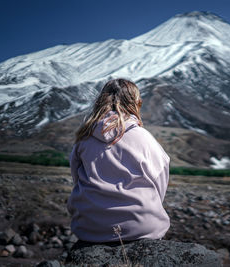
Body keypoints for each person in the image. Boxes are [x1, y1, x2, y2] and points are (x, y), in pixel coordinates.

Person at [67, 78, 170, 243]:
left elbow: (76, 178)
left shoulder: (84, 138)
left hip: (89, 227)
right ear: (137, 103)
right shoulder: (144, 138)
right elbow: (160, 182)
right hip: (143, 226)